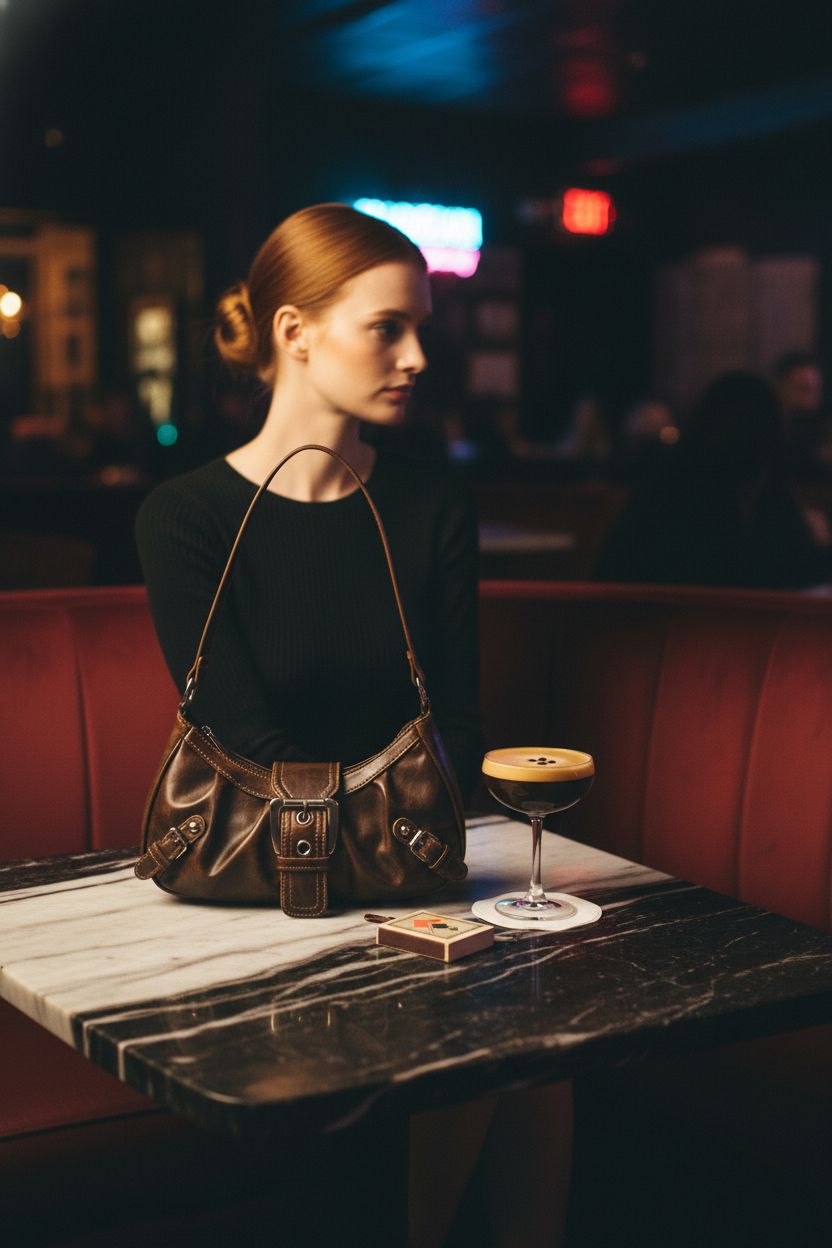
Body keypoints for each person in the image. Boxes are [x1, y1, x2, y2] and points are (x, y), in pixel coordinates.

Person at [136, 203, 571, 1248]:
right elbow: (245, 752)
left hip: (414, 876)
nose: (418, 357)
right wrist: (398, 840)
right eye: (388, 327)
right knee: (495, 1037)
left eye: (422, 328)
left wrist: (413, 866)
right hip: (249, 895)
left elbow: (457, 724)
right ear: (295, 333)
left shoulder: (429, 504)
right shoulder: (184, 518)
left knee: (544, 1040)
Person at [596, 371, 832, 590]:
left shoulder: (664, 487)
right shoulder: (748, 496)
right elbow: (775, 571)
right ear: (769, 437)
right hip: (696, 627)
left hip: (631, 625)